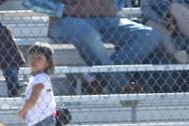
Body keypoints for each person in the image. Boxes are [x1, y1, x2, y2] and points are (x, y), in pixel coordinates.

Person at [26, 0, 163, 93]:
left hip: (105, 19)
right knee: (88, 33)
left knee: (150, 36)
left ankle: (95, 79)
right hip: (66, 20)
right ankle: (121, 86)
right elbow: (29, 2)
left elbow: (120, 3)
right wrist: (63, 9)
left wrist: (115, 6)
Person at [19, 42, 57, 126]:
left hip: (41, 121)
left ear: (48, 63)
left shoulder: (41, 78)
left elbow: (33, 98)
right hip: (43, 119)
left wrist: (23, 110)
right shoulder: (36, 78)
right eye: (32, 57)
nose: (34, 61)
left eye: (39, 58)